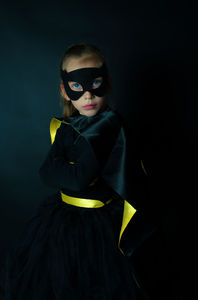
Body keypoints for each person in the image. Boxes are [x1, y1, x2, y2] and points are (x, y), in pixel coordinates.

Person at [0, 42, 154, 299]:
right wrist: (65, 171)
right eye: (77, 87)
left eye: (95, 84)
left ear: (108, 83)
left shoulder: (108, 127)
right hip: (63, 218)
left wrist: (66, 169)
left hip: (98, 224)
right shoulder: (67, 126)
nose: (88, 96)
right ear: (65, 89)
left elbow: (78, 178)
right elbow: (45, 172)